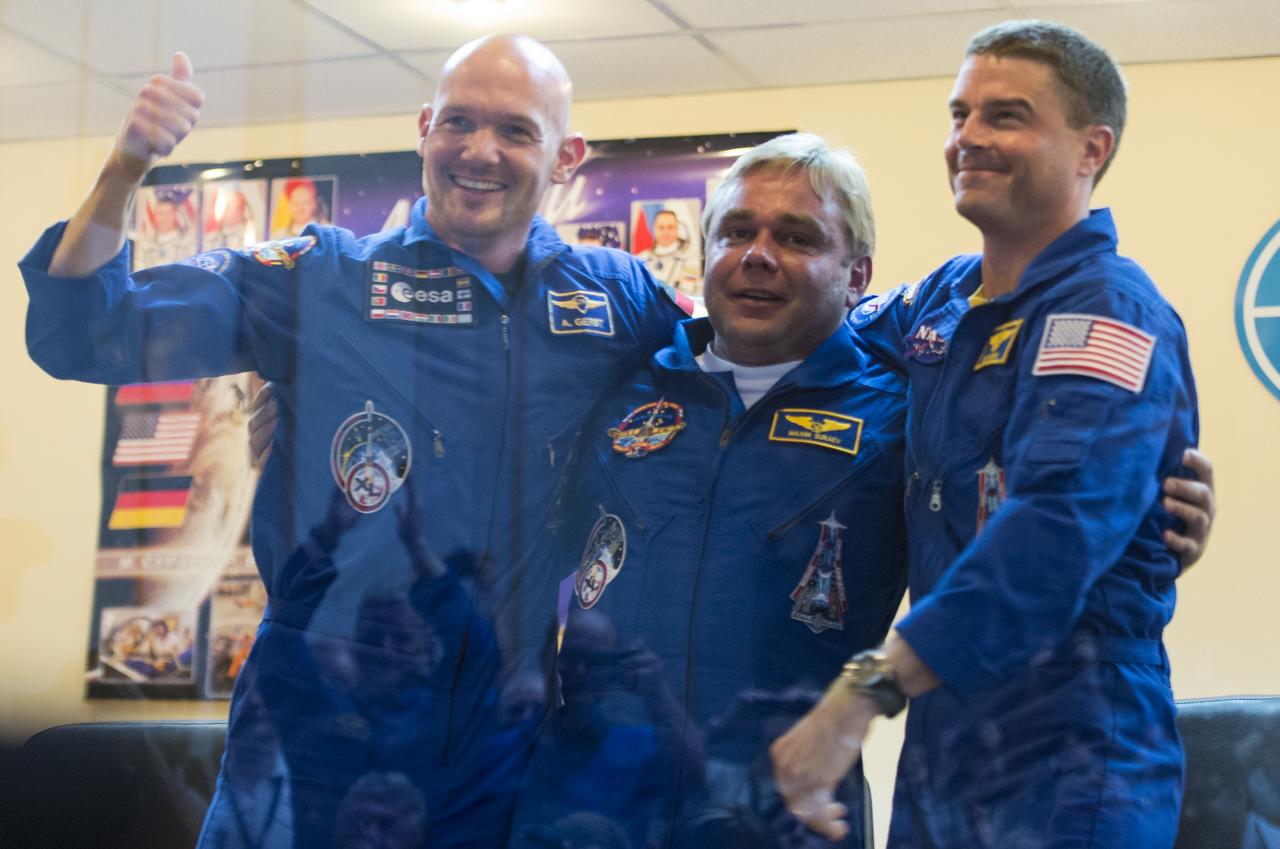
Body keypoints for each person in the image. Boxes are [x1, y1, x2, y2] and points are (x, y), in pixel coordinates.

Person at [20, 36, 687, 849]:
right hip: (315, 729)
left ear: (567, 157)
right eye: (458, 122)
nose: (480, 151)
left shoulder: (614, 300)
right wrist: (126, 170)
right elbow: (90, 332)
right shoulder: (319, 279)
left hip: (500, 742)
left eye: (516, 131)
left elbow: (749, 378)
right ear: (423, 130)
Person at [771, 20, 1204, 849]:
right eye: (959, 114)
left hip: (1070, 761)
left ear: (1091, 148)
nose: (968, 138)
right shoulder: (945, 298)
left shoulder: (1109, 310)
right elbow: (814, 336)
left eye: (1005, 116)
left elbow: (1052, 534)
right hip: (945, 757)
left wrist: (862, 691)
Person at [510, 133, 906, 849]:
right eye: (736, 232)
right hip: (586, 808)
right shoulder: (621, 379)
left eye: (797, 236)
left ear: (856, 276)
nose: (758, 254)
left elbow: (995, 530)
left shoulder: (902, 412)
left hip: (780, 813)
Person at [637, 208, 702, 294]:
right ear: (654, 229)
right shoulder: (640, 259)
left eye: (670, 227)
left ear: (677, 229)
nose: (666, 232)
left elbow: (690, 295)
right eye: (661, 227)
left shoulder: (690, 261)